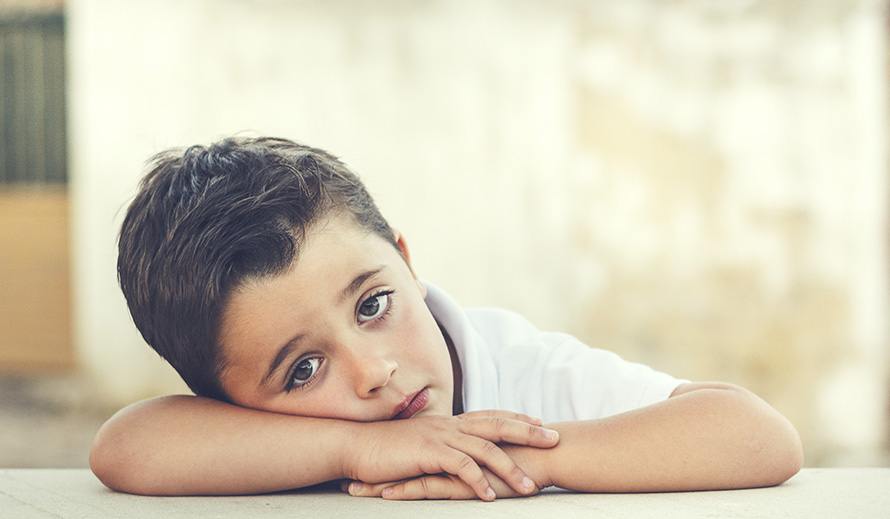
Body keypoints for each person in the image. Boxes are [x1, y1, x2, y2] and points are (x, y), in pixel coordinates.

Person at [90, 136, 803, 500]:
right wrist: (356, 452)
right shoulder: (259, 443)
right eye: (303, 369)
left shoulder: (526, 374)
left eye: (374, 304)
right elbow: (124, 448)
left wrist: (494, 458)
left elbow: (758, 436)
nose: (375, 372)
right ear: (227, 403)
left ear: (406, 261)